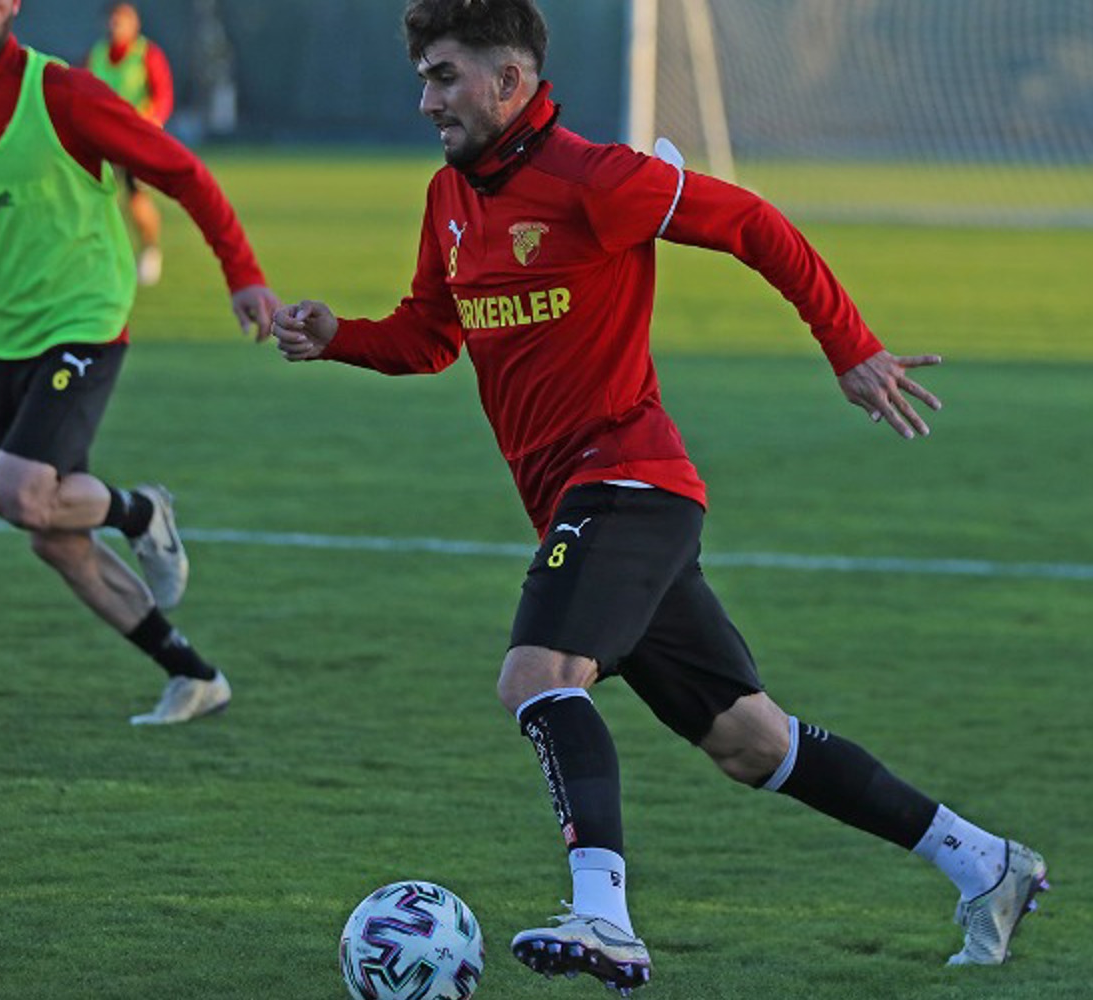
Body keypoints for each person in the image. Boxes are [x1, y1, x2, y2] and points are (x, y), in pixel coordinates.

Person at [271, 0, 1047, 990]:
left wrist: (849, 348)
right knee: (750, 742)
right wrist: (338, 336)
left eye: (445, 76)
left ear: (510, 80)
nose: (427, 100)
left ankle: (604, 917)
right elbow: (431, 336)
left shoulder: (596, 180)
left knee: (536, 675)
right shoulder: (449, 198)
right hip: (596, 506)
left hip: (626, 484)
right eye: (423, 78)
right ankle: (985, 862)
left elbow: (754, 223)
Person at [0, 0, 280, 725]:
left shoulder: (63, 93)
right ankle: (194, 676)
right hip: (4, 340)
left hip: (86, 319)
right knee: (53, 537)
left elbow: (182, 170)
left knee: (16, 494)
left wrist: (242, 272)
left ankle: (141, 510)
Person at [86, 1, 173, 285]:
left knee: (136, 197)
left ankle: (150, 249)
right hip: (104, 139)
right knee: (95, 196)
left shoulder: (146, 54)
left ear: (134, 24)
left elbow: (163, 95)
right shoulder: (98, 54)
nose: (116, 27)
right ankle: (100, 256)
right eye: (113, 21)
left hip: (137, 139)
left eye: (122, 21)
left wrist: (152, 122)